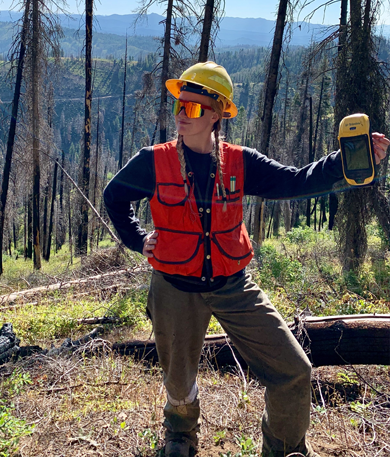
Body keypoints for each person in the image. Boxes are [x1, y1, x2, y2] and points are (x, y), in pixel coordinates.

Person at [104, 61, 389, 457]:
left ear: (218, 113)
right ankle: (181, 434)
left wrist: (346, 163)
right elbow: (114, 197)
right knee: (178, 377)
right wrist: (138, 240)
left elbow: (295, 181)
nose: (182, 115)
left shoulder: (241, 161)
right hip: (173, 286)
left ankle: (284, 449)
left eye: (193, 108)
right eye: (179, 106)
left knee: (294, 371)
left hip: (233, 285)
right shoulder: (154, 161)